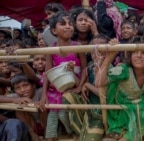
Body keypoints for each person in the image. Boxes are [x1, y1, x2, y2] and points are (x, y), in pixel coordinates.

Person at [95, 36, 144, 141]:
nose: (139, 56)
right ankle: (128, 138)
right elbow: (99, 82)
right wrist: (110, 56)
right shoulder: (124, 70)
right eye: (134, 52)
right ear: (129, 55)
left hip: (139, 104)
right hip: (123, 111)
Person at [40, 11, 87, 141]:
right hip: (57, 88)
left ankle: (72, 132)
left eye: (70, 24)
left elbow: (84, 68)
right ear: (54, 30)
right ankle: (50, 136)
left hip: (73, 86)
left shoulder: (78, 46)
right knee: (53, 115)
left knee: (63, 114)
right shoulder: (51, 48)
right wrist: (44, 95)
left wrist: (80, 86)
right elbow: (48, 72)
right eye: (63, 24)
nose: (68, 26)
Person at [11, 73, 46, 141]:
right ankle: (33, 135)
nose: (23, 90)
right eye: (18, 88)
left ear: (34, 85)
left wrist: (40, 102)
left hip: (45, 124)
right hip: (31, 128)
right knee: (18, 107)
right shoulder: (16, 97)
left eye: (26, 85)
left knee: (44, 105)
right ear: (14, 91)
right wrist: (14, 100)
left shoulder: (41, 92)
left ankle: (47, 133)